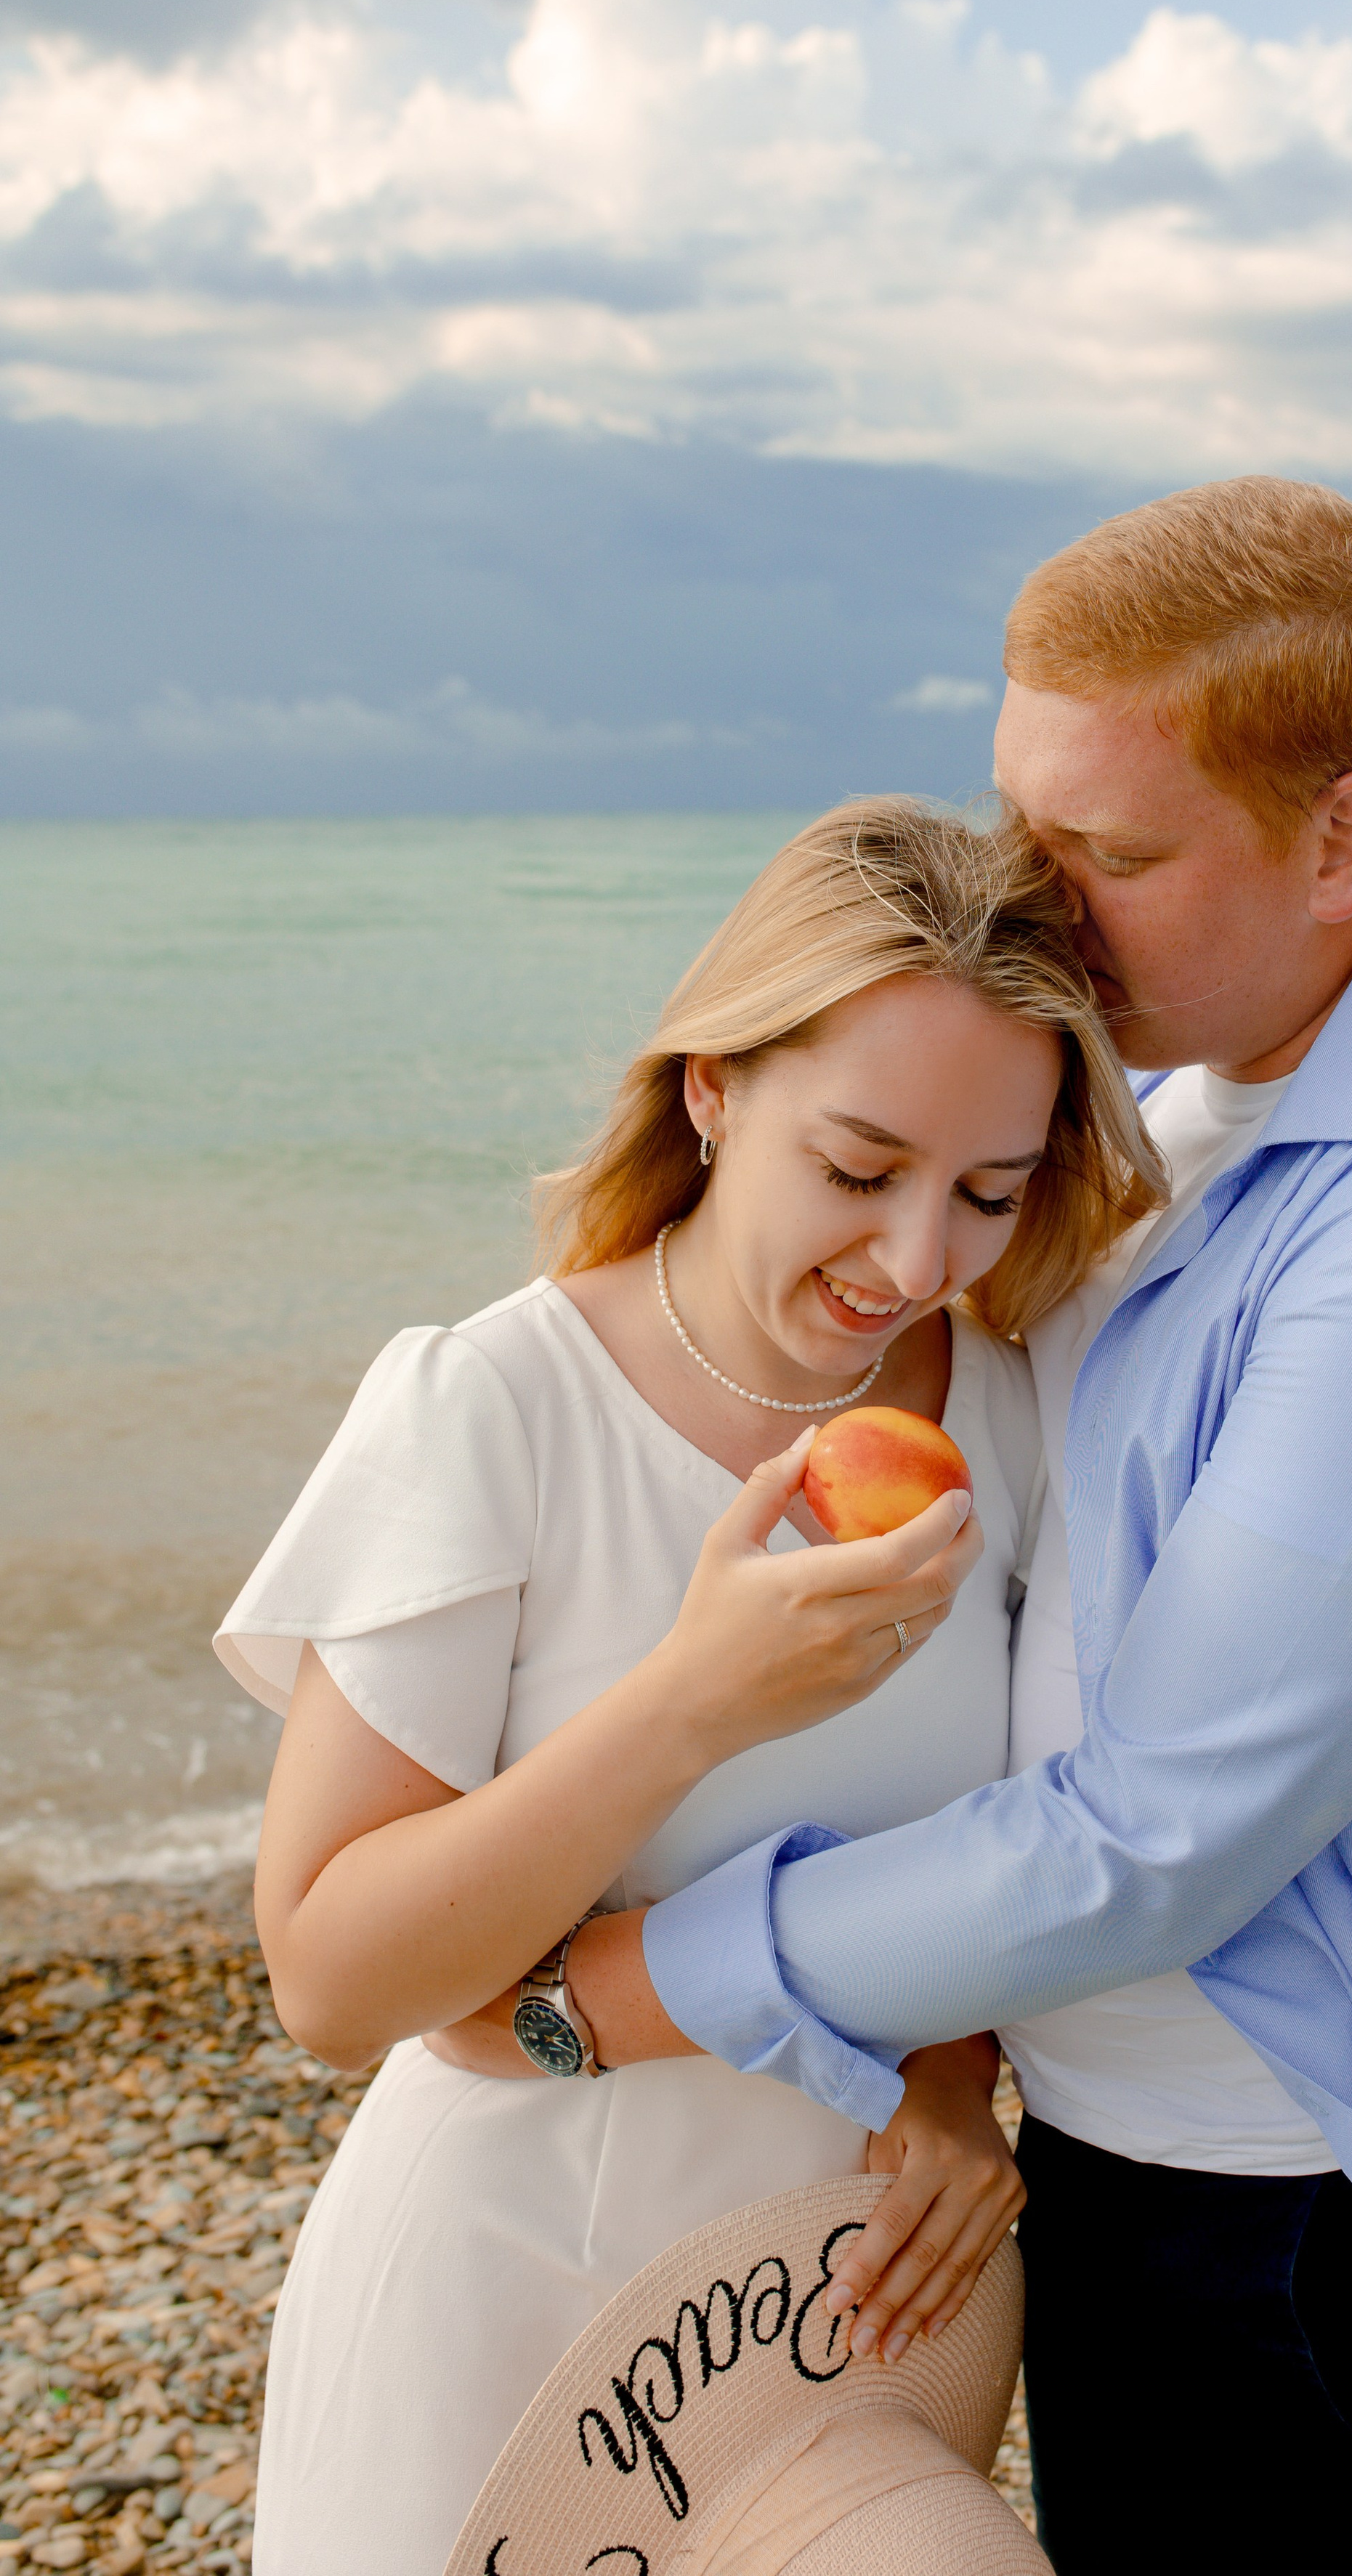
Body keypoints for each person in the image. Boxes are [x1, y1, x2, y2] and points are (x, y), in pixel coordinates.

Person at [570, 479, 1352, 2573]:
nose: (1042, 901)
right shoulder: (1198, 1100)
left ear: (1344, 840)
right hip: (1130, 2161)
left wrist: (620, 1984)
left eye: (1112, 851)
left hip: (1317, 2226)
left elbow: (1155, 1832)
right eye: (1026, 823)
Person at [211, 797, 1162, 2576]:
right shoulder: (493, 1408)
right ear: (713, 1090)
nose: (911, 1264)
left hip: (832, 2306)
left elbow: (1008, 1838)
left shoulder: (1015, 1412)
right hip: (489, 2293)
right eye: (856, 1168)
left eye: (986, 1191)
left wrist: (954, 2081)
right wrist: (696, 1699)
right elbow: (335, 1980)